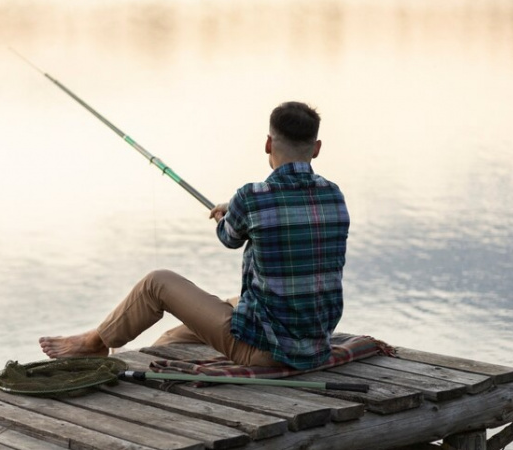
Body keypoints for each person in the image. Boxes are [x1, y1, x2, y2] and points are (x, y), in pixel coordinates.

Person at [39, 101, 349, 370]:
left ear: (268, 143)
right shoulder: (334, 196)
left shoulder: (251, 197)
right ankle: (147, 349)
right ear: (317, 147)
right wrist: (237, 209)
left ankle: (94, 342)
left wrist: (228, 213)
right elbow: (284, 218)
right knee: (189, 328)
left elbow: (228, 237)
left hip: (266, 353)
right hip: (316, 345)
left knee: (156, 283)